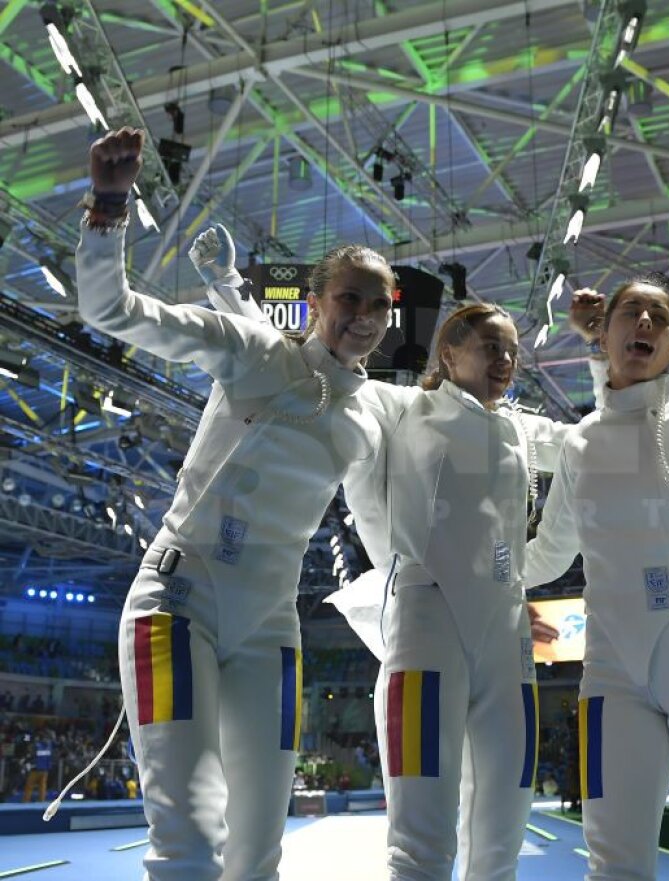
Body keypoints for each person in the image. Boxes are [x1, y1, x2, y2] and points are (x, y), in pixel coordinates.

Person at [77, 127, 393, 881]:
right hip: (176, 604)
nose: (364, 313)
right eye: (349, 297)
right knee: (189, 839)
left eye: (379, 303)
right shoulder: (253, 352)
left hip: (270, 627)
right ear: (316, 302)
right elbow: (112, 310)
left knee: (256, 852)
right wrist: (109, 207)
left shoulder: (376, 413)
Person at [343, 299, 603, 881]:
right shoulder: (403, 408)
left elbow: (596, 442)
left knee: (501, 834)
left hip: (506, 637)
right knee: (420, 840)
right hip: (423, 628)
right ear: (449, 351)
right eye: (492, 346)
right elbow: (326, 379)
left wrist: (599, 354)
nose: (506, 360)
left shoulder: (519, 426)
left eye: (512, 351)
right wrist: (237, 293)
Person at [522, 280, 669, 881]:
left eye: (660, 317)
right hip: (611, 669)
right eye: (631, 311)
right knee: (614, 859)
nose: (644, 321)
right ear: (606, 333)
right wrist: (459, 569)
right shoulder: (580, 443)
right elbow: (547, 555)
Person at [22, 731, 52, 802]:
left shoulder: (36, 746)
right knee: (42, 786)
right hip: (45, 769)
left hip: (35, 769)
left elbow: (31, 756)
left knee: (29, 785)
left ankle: (26, 801)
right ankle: (41, 800)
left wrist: (25, 761)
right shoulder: (48, 746)